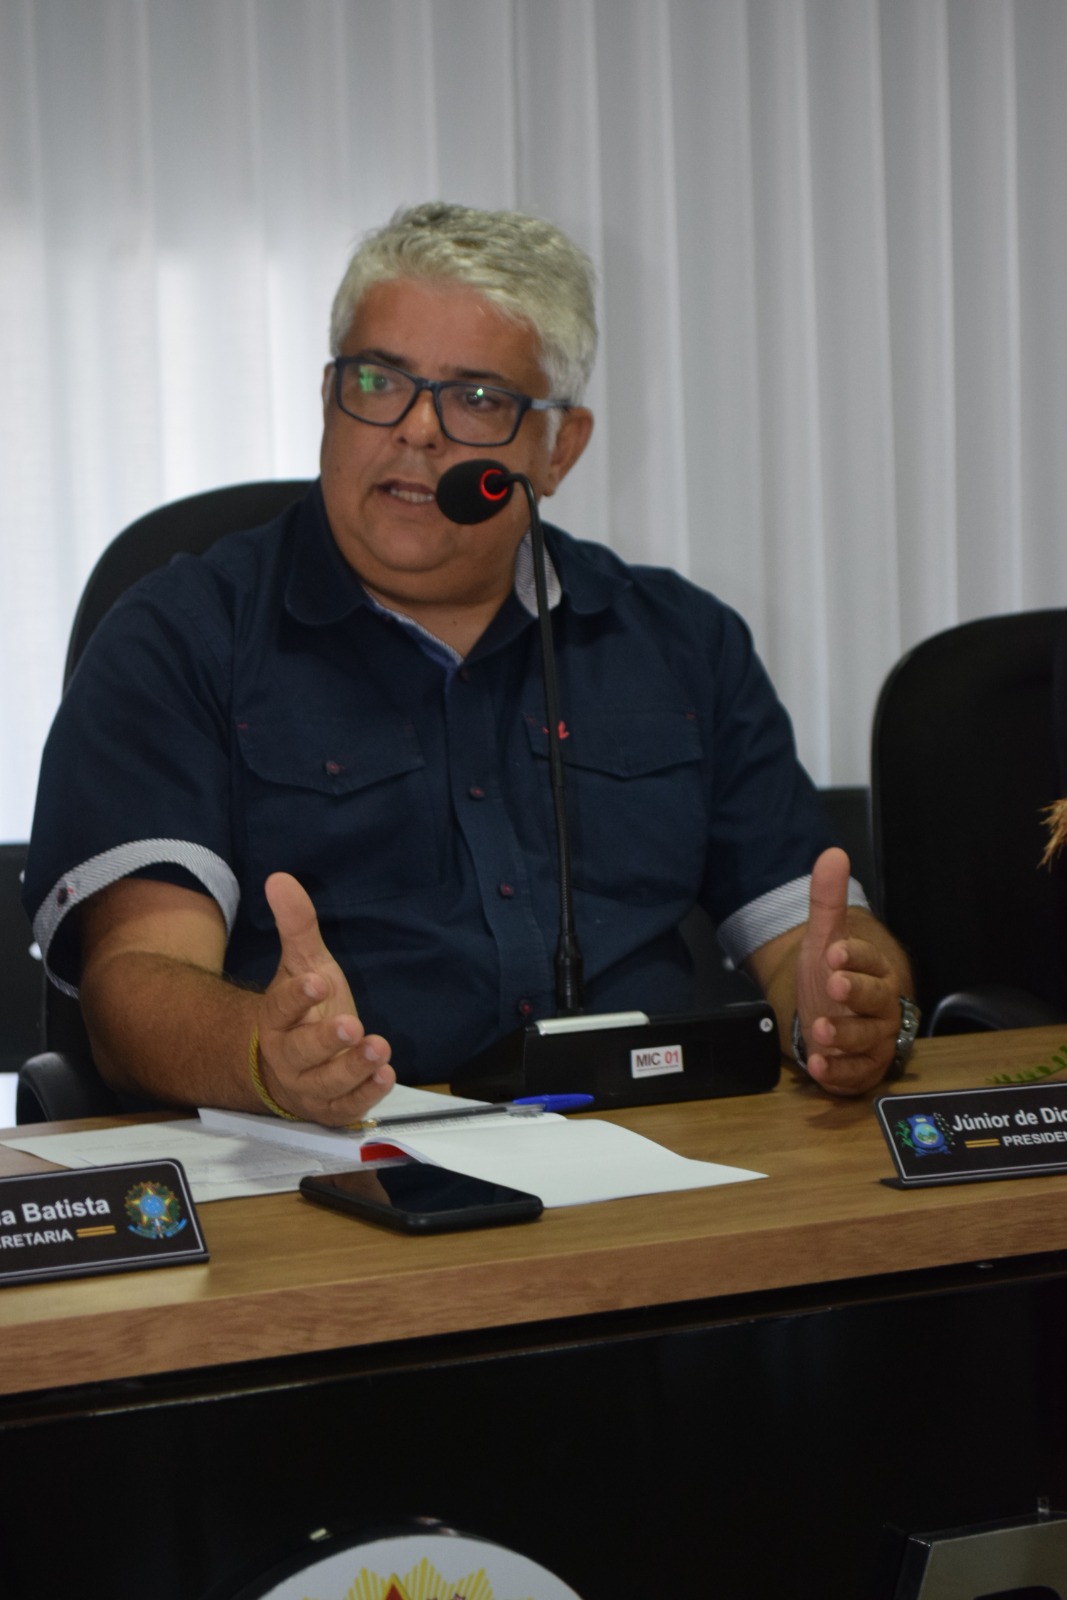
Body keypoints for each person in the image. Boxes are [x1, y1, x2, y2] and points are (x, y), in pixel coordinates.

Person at [24, 202, 916, 1125]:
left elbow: (805, 935)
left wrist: (848, 1005)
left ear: (559, 448)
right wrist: (266, 1053)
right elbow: (137, 984)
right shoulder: (180, 637)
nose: (417, 430)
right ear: (328, 397)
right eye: (379, 381)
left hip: (654, 1145)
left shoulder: (681, 642)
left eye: (478, 399)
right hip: (333, 1157)